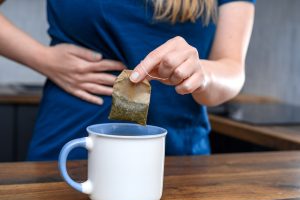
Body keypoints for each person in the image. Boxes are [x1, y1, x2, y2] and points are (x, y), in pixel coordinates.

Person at [0, 0, 255, 161]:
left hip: (177, 161)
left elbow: (232, 69)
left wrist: (201, 74)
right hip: (68, 151)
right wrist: (42, 58)